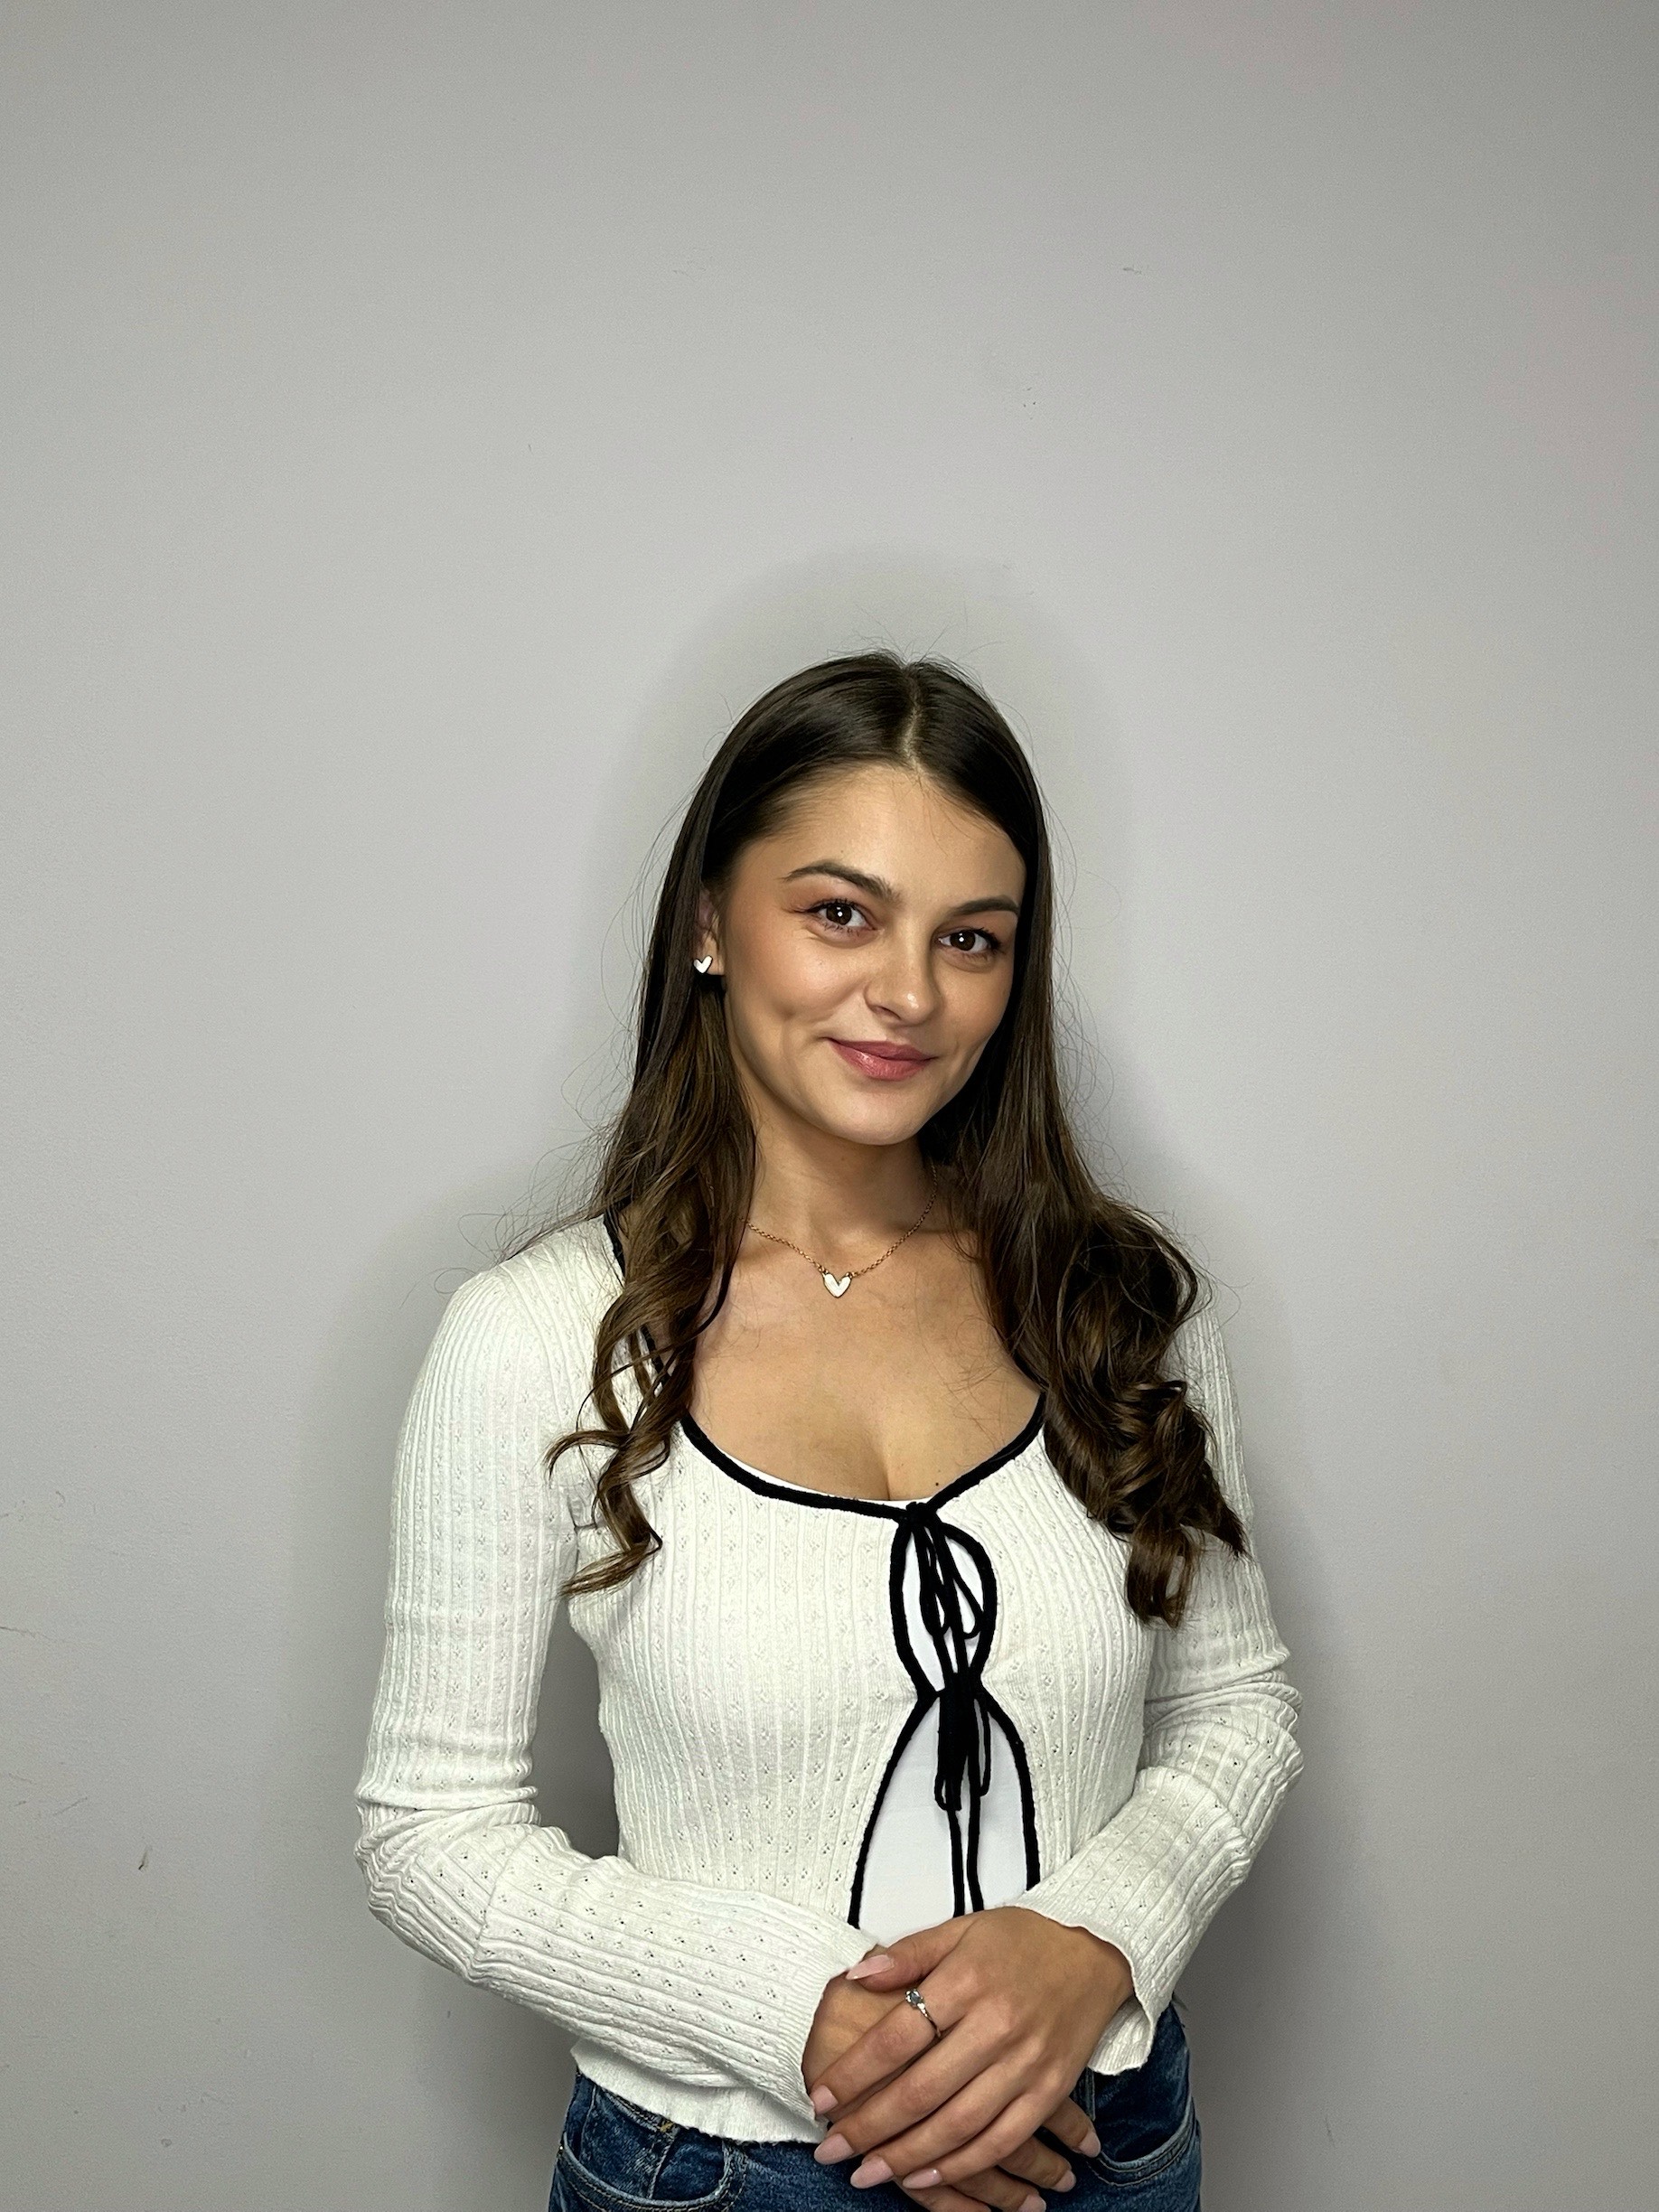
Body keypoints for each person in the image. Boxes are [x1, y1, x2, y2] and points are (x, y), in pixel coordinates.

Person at [353, 651, 1305, 2212]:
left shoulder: (1118, 1305)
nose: (910, 993)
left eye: (972, 939)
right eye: (841, 912)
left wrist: (1098, 1941)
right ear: (714, 925)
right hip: (718, 2175)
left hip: (1102, 2151)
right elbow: (429, 1832)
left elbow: (1239, 1705)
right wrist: (799, 2016)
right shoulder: (533, 1338)